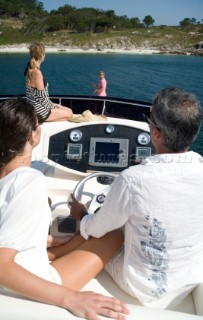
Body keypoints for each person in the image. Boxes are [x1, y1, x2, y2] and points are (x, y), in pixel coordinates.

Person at [69, 88, 203, 310]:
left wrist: (81, 213)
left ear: (156, 134)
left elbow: (96, 229)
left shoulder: (133, 180)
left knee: (111, 232)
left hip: (143, 288)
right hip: (186, 282)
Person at [0, 98, 129, 320]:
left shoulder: (9, 178)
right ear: (34, 135)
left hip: (20, 263)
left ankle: (50, 251)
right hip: (25, 285)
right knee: (114, 234)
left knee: (77, 237)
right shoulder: (30, 181)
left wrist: (44, 241)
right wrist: (71, 298)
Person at [25, 42, 73, 123]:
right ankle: (43, 120)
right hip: (40, 112)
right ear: (41, 56)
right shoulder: (37, 73)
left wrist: (56, 105)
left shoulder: (29, 69)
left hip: (33, 108)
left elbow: (39, 97)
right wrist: (56, 106)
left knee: (67, 110)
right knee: (70, 113)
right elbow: (43, 99)